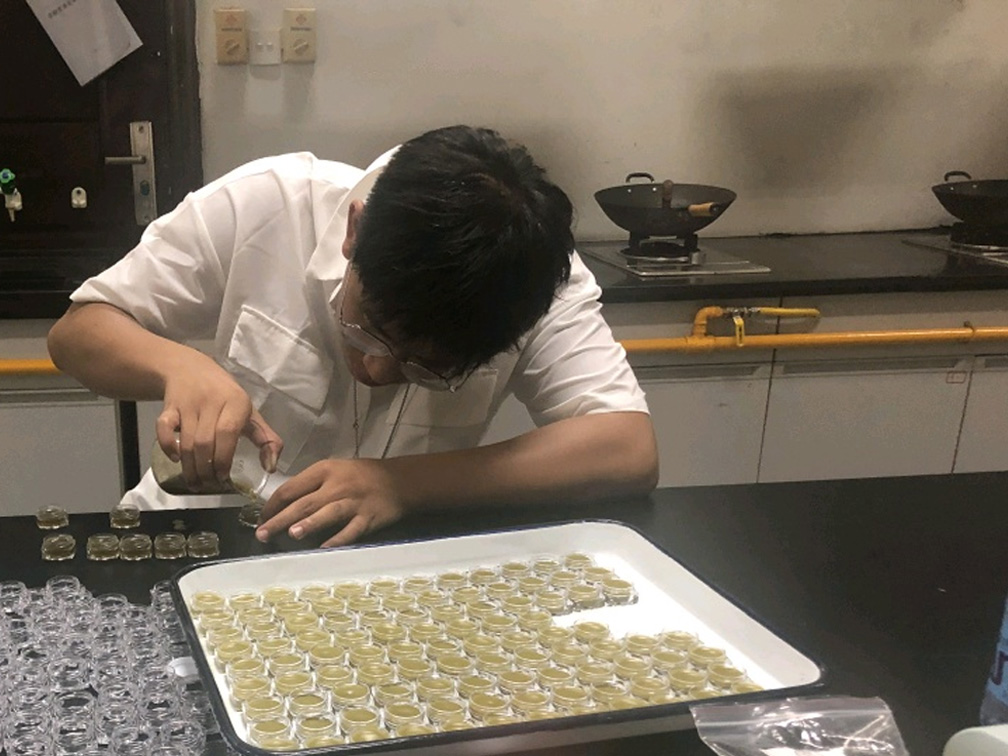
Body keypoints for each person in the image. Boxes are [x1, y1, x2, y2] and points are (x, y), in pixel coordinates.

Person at [47, 125, 659, 547]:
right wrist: (180, 366)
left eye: (429, 368)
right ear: (354, 232)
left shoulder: (533, 280)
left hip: (386, 561)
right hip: (196, 536)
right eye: (372, 330)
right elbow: (77, 333)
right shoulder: (269, 203)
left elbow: (626, 448)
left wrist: (405, 485)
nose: (378, 371)